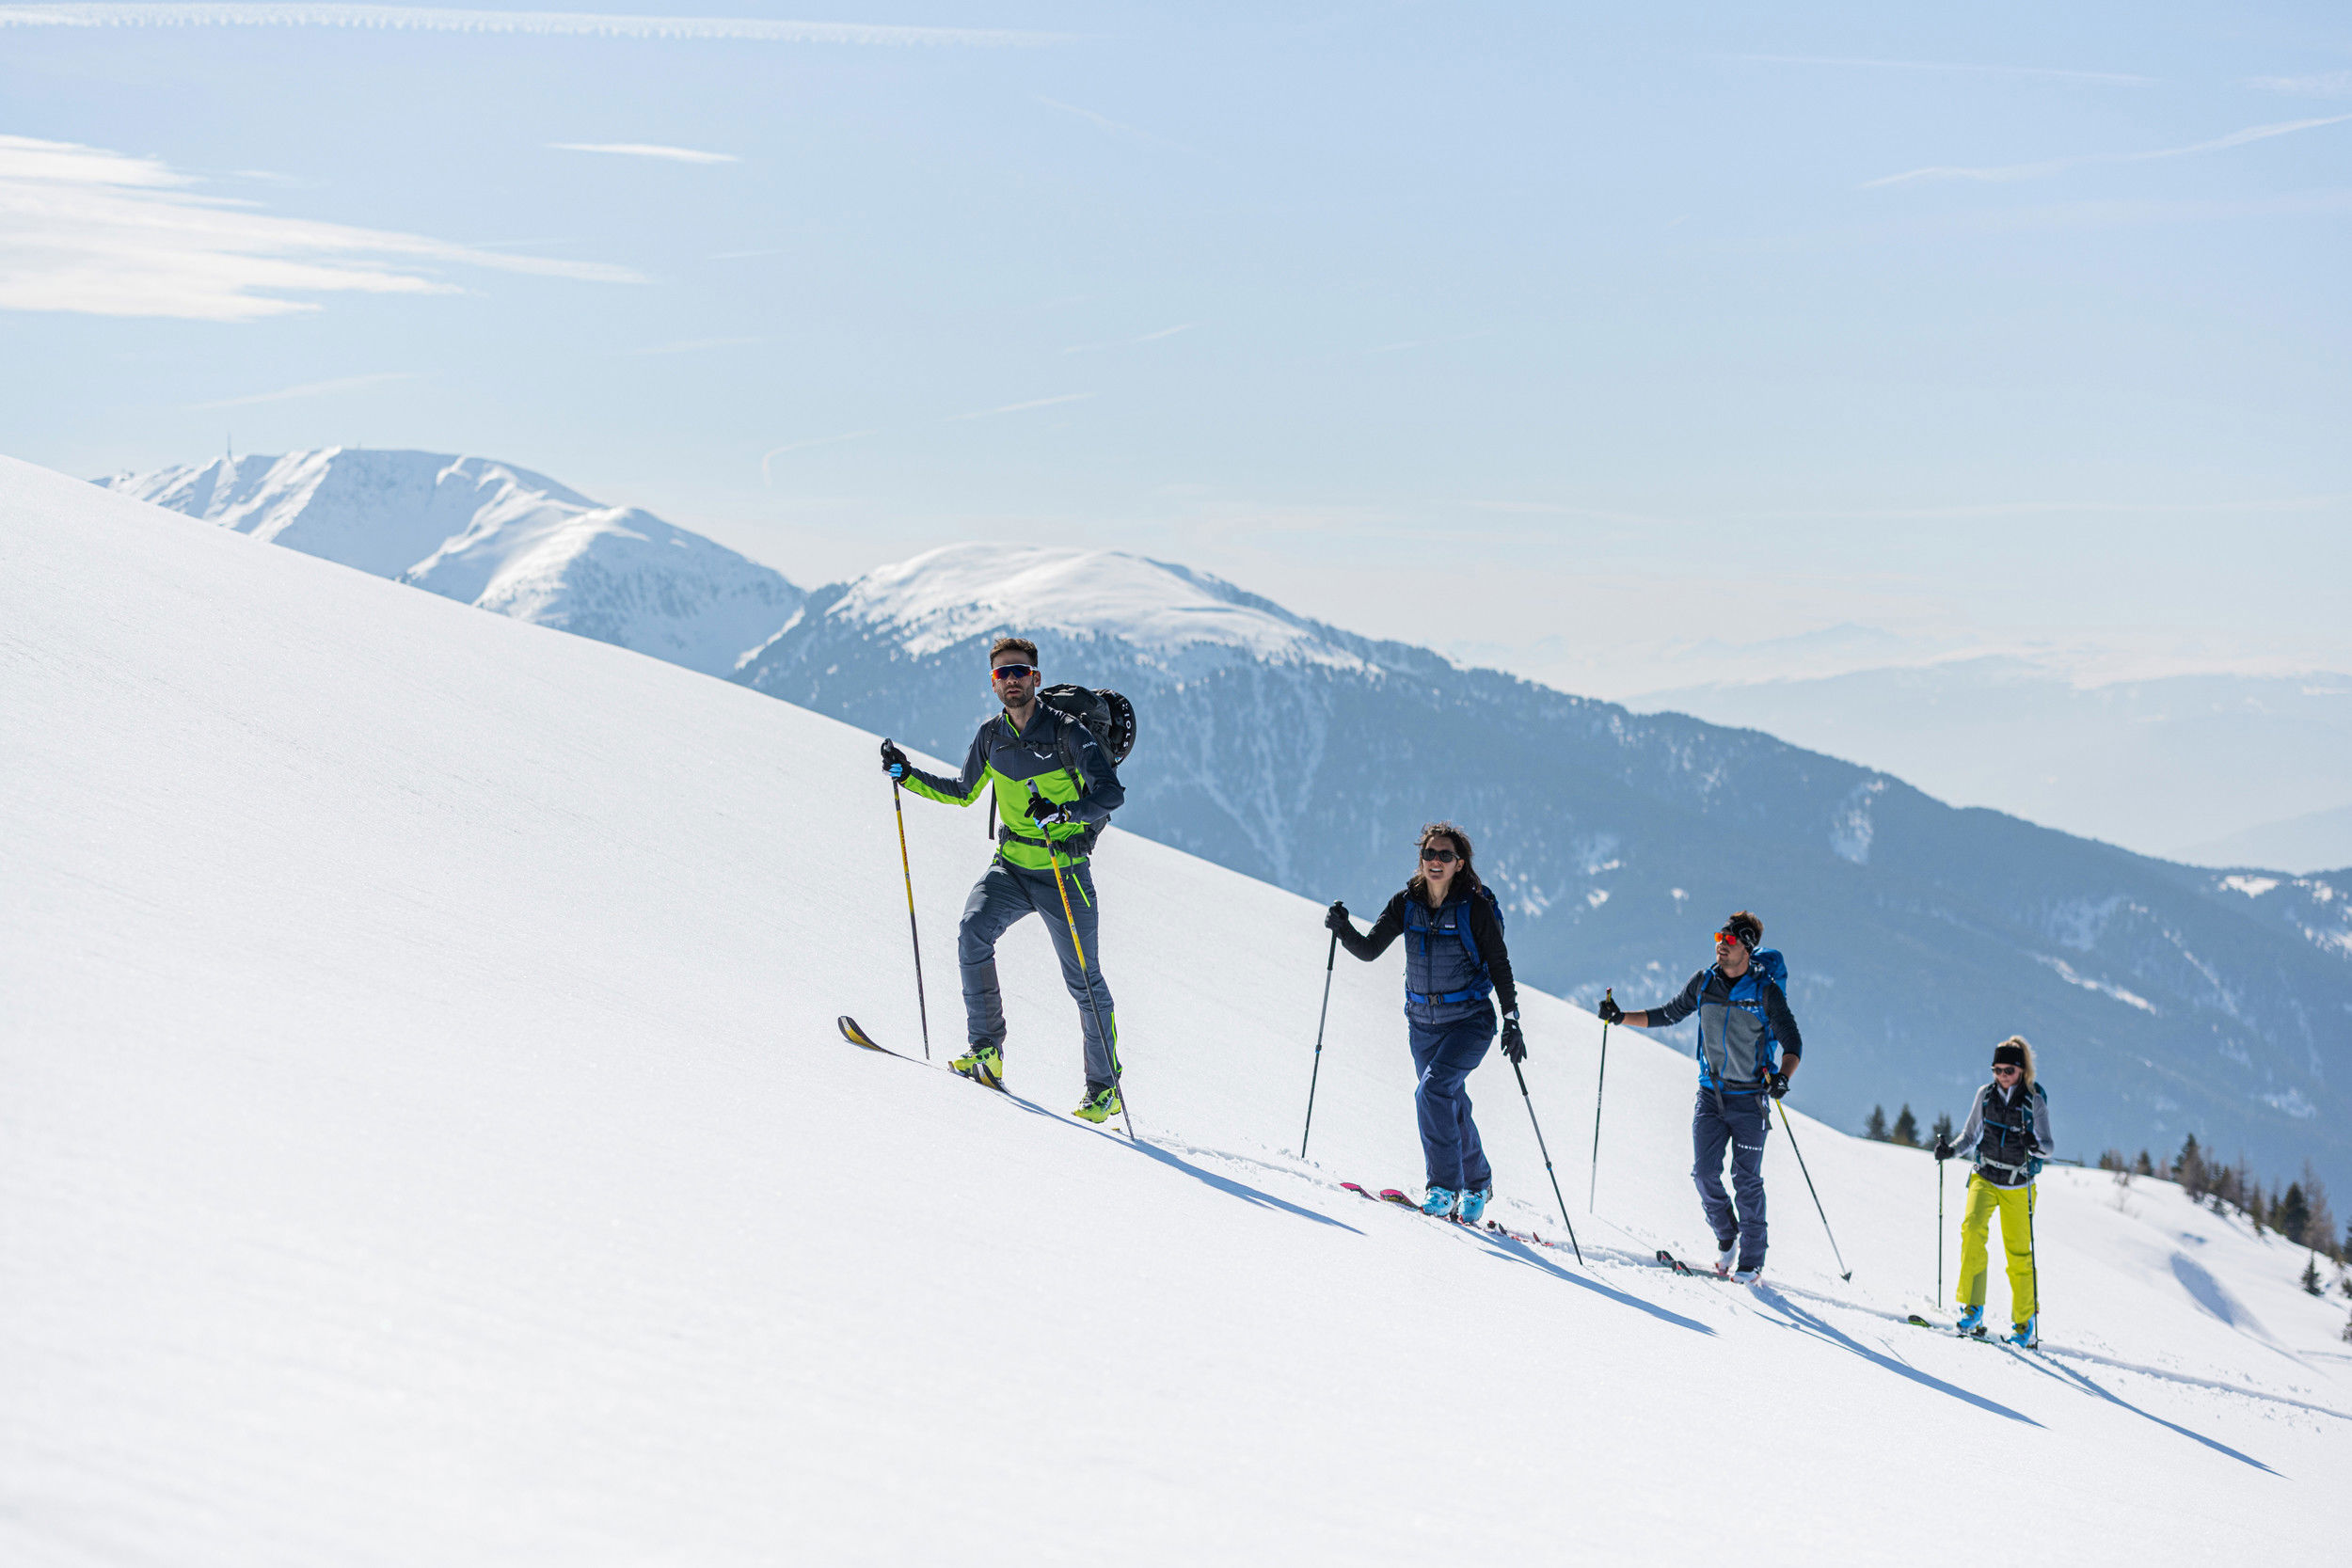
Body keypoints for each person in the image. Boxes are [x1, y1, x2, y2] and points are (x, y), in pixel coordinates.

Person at [880, 636, 1127, 1123]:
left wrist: (1065, 813)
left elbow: (1111, 795)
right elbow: (963, 791)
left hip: (1064, 872)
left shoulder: (1069, 734)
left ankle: (1104, 1089)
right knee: (973, 932)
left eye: (1019, 671)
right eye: (1001, 673)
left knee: (1083, 982)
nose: (1011, 680)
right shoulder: (991, 736)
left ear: (1035, 677)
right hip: (1011, 865)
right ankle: (985, 1049)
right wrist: (906, 775)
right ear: (993, 683)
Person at [1325, 822, 1525, 1222]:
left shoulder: (1475, 907)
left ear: (1459, 863)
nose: (1435, 861)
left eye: (1444, 856)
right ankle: (1478, 1183)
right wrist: (1343, 929)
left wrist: (1511, 1017)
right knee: (1448, 1101)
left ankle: (1444, 1187)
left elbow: (1500, 964)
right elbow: (1368, 949)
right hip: (1422, 1023)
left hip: (1470, 1020)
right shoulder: (1406, 903)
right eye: (1429, 854)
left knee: (1432, 1093)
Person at [1598, 911, 1803, 1282]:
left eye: (1727, 941)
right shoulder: (1705, 982)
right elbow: (1669, 1014)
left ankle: (1752, 1261)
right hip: (1710, 1096)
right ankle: (1728, 1237)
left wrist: (1783, 1078)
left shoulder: (1765, 991)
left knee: (1747, 1181)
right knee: (1704, 1174)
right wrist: (1620, 1016)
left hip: (1750, 1100)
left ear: (1746, 946)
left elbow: (1792, 1041)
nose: (1720, 947)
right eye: (1717, 939)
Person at [1935, 1037, 2053, 1345]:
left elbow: (2048, 1147)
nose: (2001, 1075)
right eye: (1997, 1069)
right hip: (1984, 1176)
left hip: (2018, 1184)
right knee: (1972, 1232)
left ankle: (2023, 1324)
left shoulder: (2033, 1101)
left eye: (2008, 1070)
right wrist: (1950, 1151)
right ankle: (1972, 1308)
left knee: (2018, 1254)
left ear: (2021, 1070)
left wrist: (2034, 1146)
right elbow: (1970, 1135)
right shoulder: (1984, 1096)